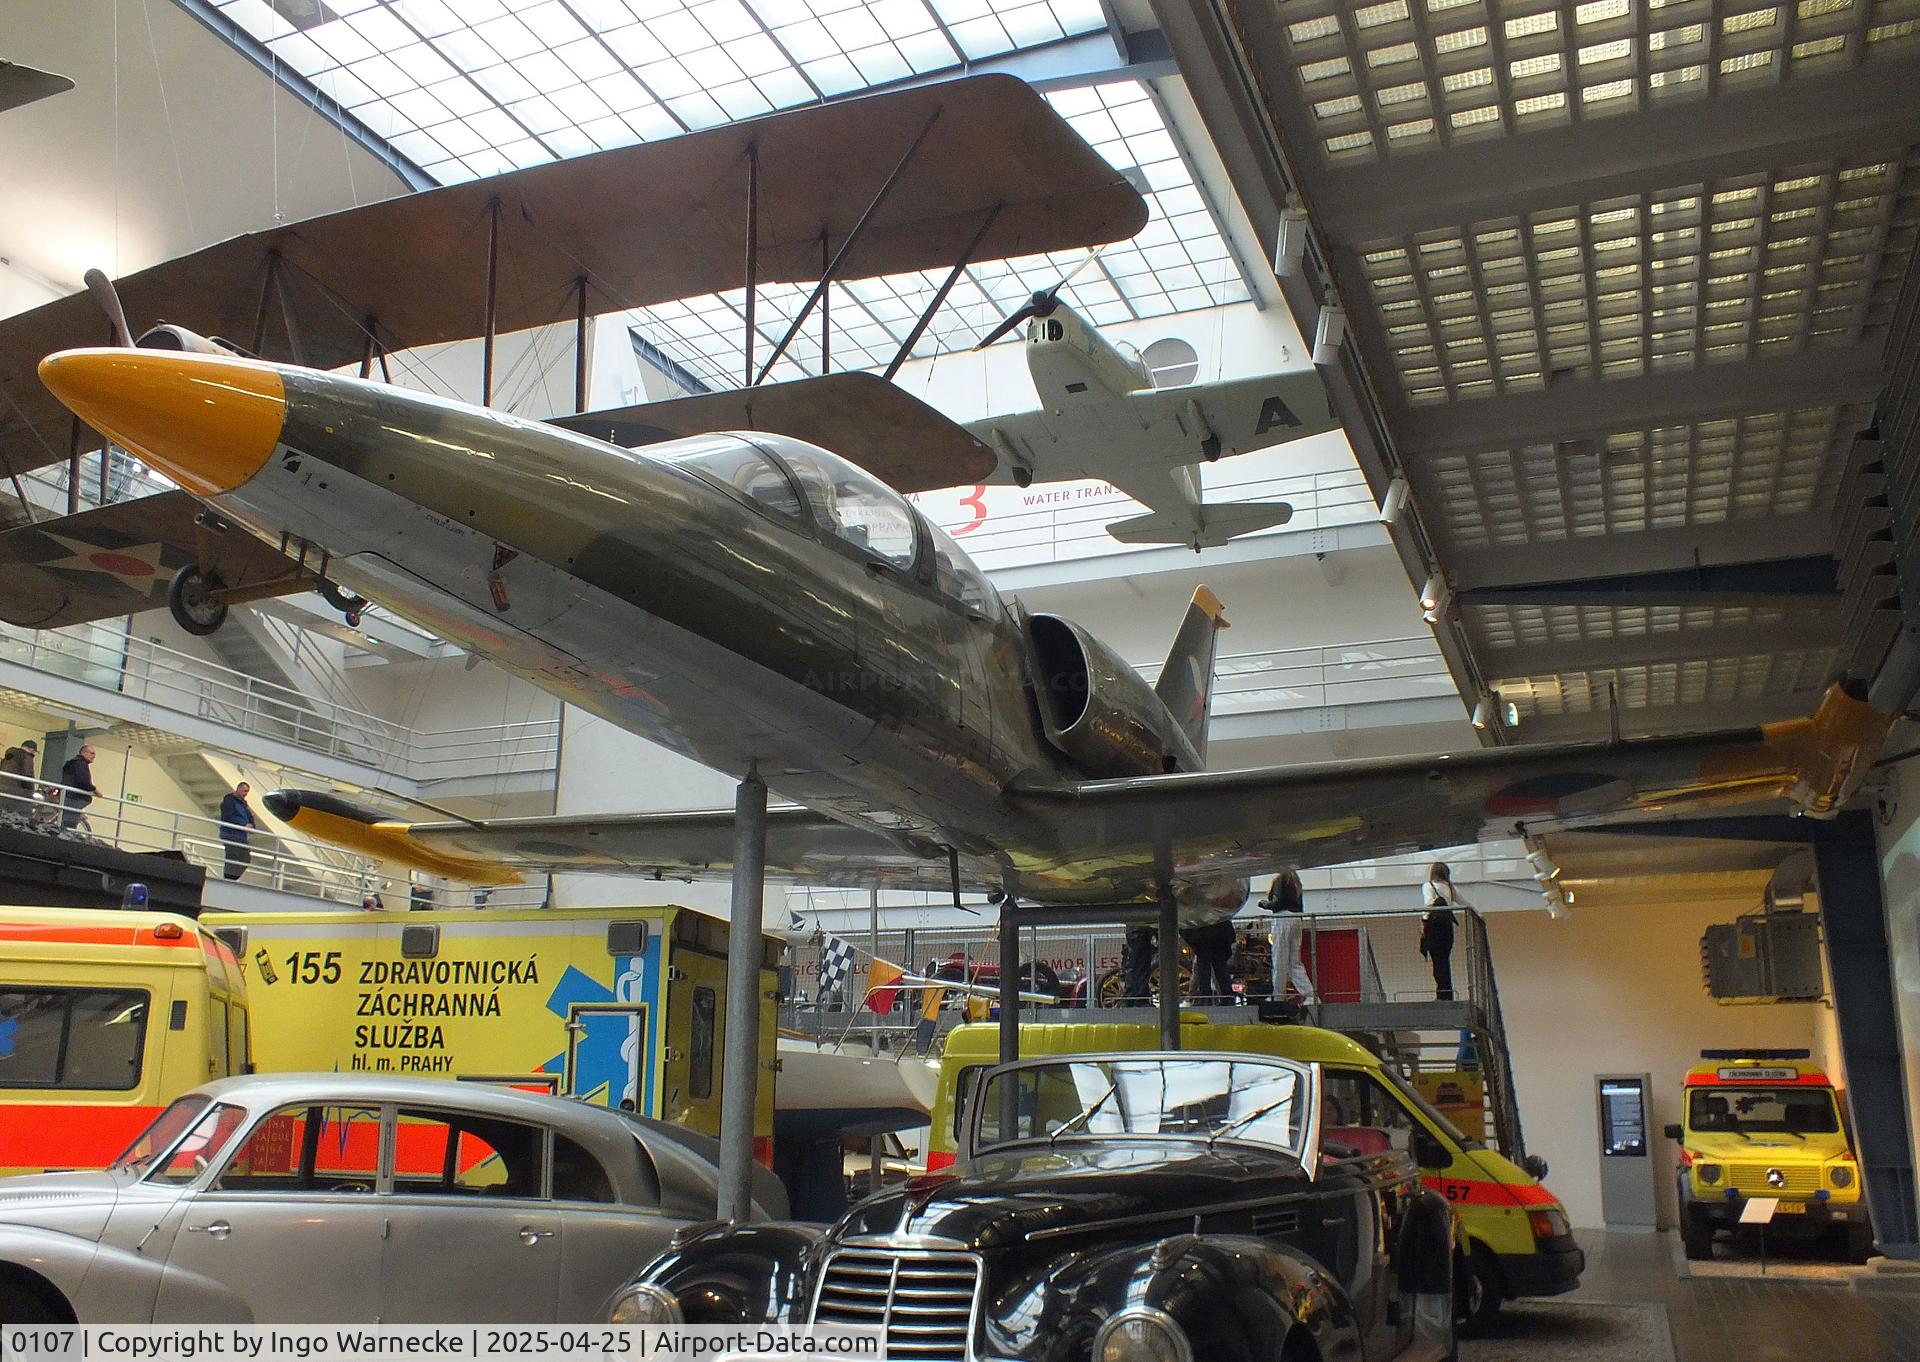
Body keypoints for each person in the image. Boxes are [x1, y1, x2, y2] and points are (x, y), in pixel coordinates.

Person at [1261, 870, 1319, 1005]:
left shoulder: (1280, 880)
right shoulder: (1295, 881)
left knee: (1279, 960)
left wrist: (1263, 904)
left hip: (1282, 919)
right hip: (1296, 919)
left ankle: (1278, 996)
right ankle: (1310, 995)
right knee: (1294, 962)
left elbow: (1277, 903)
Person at [1421, 861, 1463, 1001]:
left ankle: (1442, 995)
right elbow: (1464, 902)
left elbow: (1429, 903)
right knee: (1444, 960)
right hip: (1447, 926)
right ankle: (1447, 993)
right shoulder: (1450, 888)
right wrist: (1478, 914)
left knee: (1437, 962)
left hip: (1434, 926)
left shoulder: (1428, 886)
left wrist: (1423, 922)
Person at [1183, 919, 1237, 1004]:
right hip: (1217, 946)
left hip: (1203, 946)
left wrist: (1194, 944)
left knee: (1203, 974)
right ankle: (1226, 999)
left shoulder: (1200, 921)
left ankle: (1204, 999)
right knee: (1220, 974)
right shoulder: (1220, 920)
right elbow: (1230, 934)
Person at [218, 781, 256, 881]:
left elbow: (250, 817)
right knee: (233, 857)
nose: (245, 794)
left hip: (240, 836)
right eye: (244, 791)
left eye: (247, 792)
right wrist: (243, 825)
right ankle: (228, 879)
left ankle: (231, 878)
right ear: (238, 789)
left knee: (244, 858)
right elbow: (227, 816)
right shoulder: (229, 800)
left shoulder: (244, 803)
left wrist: (252, 826)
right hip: (230, 834)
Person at [59, 743, 98, 830]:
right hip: (75, 798)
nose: (94, 756)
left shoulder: (73, 763)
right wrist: (94, 789)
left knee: (67, 819)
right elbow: (82, 781)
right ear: (83, 753)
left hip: (70, 796)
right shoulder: (80, 764)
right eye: (92, 753)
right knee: (69, 823)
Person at [1119, 925, 1157, 1004]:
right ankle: (1137, 998)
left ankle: (1135, 998)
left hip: (1138, 931)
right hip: (1139, 932)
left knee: (1140, 966)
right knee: (1140, 967)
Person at [1, 739, 38, 806]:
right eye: (34, 752)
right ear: (31, 750)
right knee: (23, 810)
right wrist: (30, 793)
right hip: (14, 792)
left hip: (2, 789)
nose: (34, 754)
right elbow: (27, 776)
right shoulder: (26, 756)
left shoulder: (7, 758)